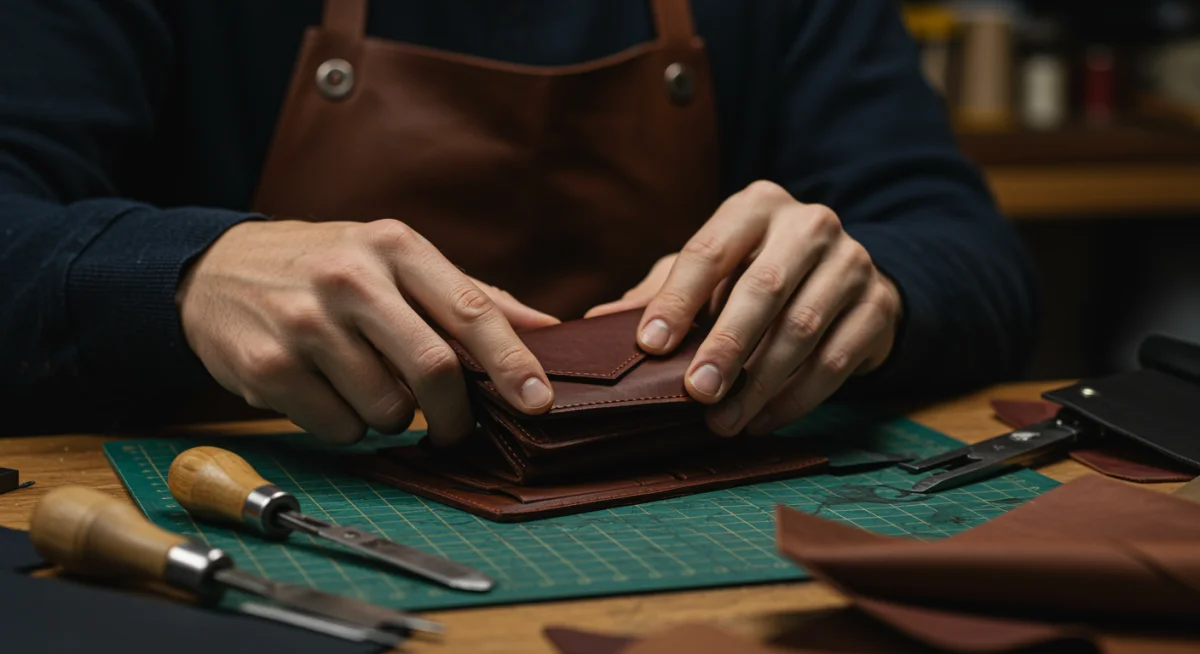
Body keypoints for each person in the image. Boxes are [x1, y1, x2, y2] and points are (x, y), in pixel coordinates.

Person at [0, 0, 1039, 442]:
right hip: (236, 517)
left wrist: (871, 285)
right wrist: (184, 276)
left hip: (665, 536)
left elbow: (962, 240)